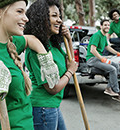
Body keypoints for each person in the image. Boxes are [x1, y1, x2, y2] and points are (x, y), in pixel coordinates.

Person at [0, 0, 59, 129]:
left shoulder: (11, 43)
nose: (26, 19)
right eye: (19, 11)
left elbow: (31, 39)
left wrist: (45, 57)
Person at [24, 0, 77, 129]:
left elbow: (70, 62)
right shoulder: (36, 50)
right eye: (54, 16)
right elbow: (53, 88)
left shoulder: (52, 44)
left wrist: (69, 39)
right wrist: (70, 72)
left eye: (59, 16)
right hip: (42, 107)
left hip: (52, 105)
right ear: (41, 18)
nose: (59, 20)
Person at [86, 19, 120, 102]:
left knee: (116, 65)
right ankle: (117, 92)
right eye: (105, 25)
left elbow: (107, 47)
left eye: (108, 25)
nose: (107, 26)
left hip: (98, 58)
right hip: (92, 59)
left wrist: (117, 53)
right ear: (101, 26)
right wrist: (102, 59)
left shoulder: (104, 36)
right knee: (112, 69)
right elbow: (92, 50)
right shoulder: (97, 35)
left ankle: (109, 88)